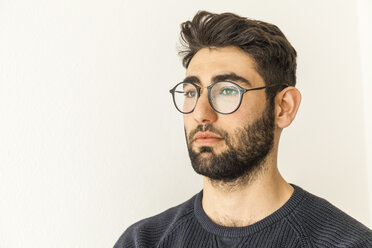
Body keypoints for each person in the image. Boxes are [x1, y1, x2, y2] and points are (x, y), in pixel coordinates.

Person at [114, 10, 372, 247]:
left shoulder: (347, 243)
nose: (201, 113)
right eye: (192, 92)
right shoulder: (143, 242)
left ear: (283, 107)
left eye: (227, 90)